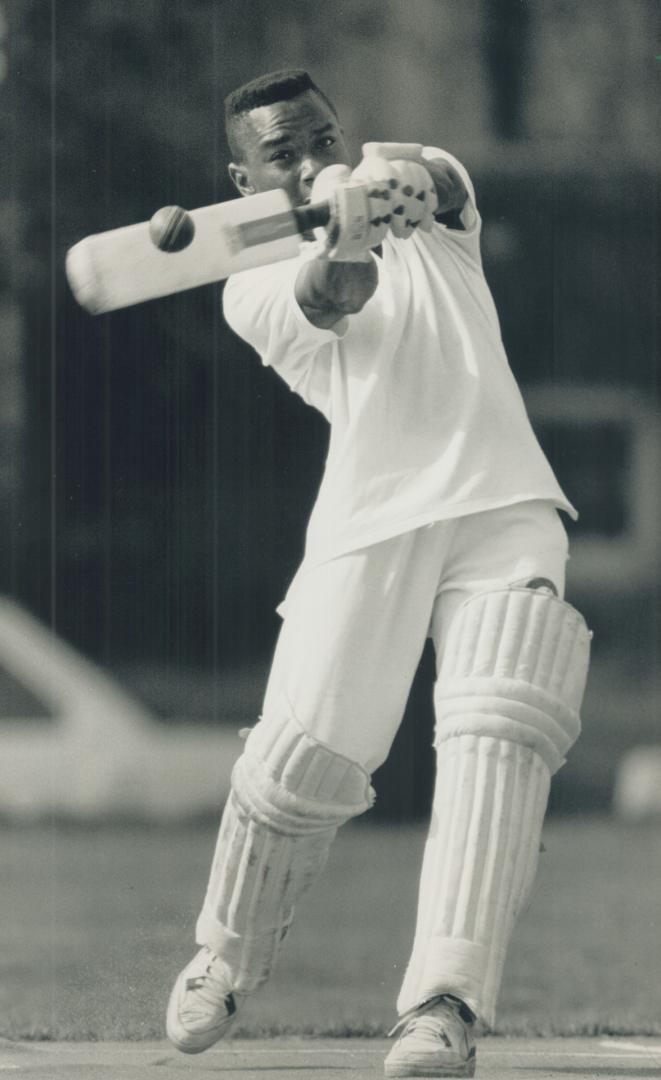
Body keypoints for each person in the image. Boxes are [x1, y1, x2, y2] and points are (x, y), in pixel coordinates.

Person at [166, 69, 591, 1078]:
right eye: (283, 152)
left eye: (320, 136)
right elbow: (334, 293)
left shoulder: (421, 198)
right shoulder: (249, 280)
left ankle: (441, 1007)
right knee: (302, 766)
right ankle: (221, 958)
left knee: (499, 727)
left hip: (504, 503)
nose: (311, 156)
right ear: (243, 176)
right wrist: (344, 232)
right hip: (371, 520)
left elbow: (439, 178)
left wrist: (393, 187)